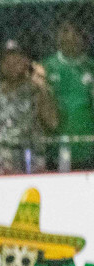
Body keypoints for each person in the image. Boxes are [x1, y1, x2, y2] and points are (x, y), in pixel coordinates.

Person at [0, 40, 57, 176]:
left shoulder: (35, 90)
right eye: (7, 61)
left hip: (31, 160)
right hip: (1, 162)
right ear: (0, 64)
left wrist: (42, 86)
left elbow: (52, 122)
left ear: (26, 62)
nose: (12, 65)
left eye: (17, 60)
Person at [42, 19, 94, 170]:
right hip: (57, 147)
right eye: (64, 31)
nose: (69, 37)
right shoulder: (46, 66)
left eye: (74, 32)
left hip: (88, 148)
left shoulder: (91, 66)